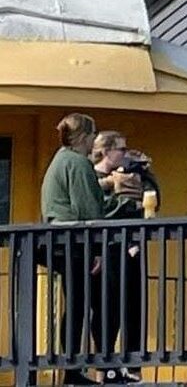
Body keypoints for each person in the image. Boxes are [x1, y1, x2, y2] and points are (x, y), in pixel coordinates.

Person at [40, 113, 108, 385]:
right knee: (81, 304)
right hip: (73, 243)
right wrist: (99, 248)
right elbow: (88, 209)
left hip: (56, 239)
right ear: (84, 137)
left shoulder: (60, 158)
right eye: (92, 135)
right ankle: (72, 369)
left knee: (76, 303)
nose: (94, 140)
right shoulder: (78, 163)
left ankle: (70, 367)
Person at [90, 131, 149, 384]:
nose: (125, 153)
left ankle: (133, 367)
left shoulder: (130, 173)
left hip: (131, 249)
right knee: (106, 309)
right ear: (106, 151)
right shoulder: (94, 176)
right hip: (105, 250)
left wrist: (143, 171)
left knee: (134, 307)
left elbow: (150, 198)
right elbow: (100, 208)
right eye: (121, 149)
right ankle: (106, 367)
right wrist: (125, 199)